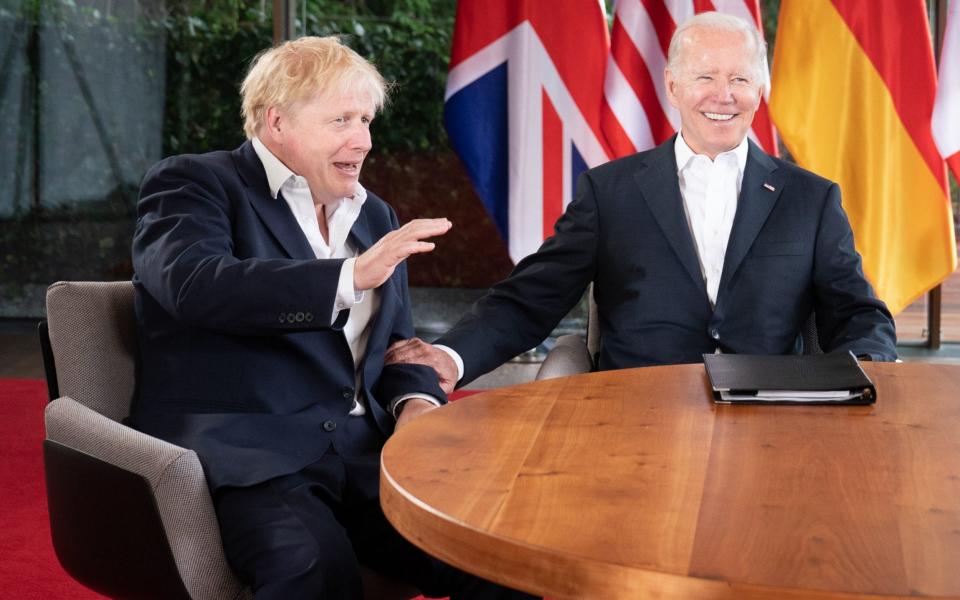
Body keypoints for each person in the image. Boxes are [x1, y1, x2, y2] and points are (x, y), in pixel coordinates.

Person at [130, 36, 533, 600]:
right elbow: (194, 285)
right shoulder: (196, 183)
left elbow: (397, 347)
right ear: (276, 122)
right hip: (252, 453)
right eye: (341, 119)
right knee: (315, 572)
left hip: (366, 451)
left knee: (505, 552)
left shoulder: (374, 214)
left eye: (366, 120)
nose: (363, 141)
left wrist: (416, 404)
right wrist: (348, 279)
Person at [386, 12, 896, 391]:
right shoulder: (610, 192)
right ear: (672, 86)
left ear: (759, 90)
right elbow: (531, 298)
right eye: (705, 77)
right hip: (633, 414)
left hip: (771, 419)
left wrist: (866, 376)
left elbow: (857, 313)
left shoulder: (812, 197)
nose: (724, 95)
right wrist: (450, 357)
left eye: (740, 78)